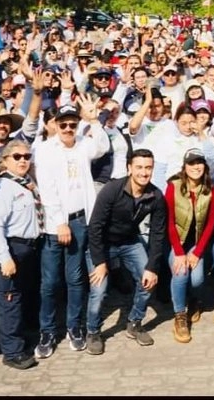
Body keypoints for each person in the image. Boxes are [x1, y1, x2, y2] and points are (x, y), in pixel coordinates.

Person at [33, 101, 111, 358]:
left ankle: (73, 327)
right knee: (50, 281)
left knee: (76, 279)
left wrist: (95, 120)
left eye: (73, 124)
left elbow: (103, 146)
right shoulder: (45, 150)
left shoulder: (82, 144)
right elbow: (46, 188)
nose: (68, 128)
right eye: (63, 124)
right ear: (55, 124)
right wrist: (59, 222)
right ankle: (47, 331)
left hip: (80, 220)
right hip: (57, 224)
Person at [87, 148, 168, 351]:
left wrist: (152, 266)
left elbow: (158, 234)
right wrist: (99, 262)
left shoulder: (156, 196)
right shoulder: (112, 190)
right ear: (129, 168)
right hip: (103, 243)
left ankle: (134, 322)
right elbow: (95, 226)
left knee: (148, 281)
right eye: (139, 167)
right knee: (99, 289)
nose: (143, 172)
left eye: (148, 168)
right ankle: (93, 331)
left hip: (130, 242)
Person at [0, 138, 42, 370]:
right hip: (9, 248)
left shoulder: (25, 182)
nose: (23, 161)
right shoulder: (2, 188)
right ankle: (12, 351)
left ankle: (16, 339)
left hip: (28, 248)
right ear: (5, 160)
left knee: (19, 297)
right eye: (17, 157)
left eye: (27, 156)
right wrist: (4, 257)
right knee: (9, 300)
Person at [163, 149, 214, 343]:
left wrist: (197, 252)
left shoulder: (212, 190)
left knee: (196, 280)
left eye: (199, 163)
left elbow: (211, 223)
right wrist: (179, 253)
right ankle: (180, 316)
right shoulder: (173, 186)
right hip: (177, 242)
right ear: (185, 167)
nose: (196, 167)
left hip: (197, 244)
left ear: (204, 166)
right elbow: (169, 220)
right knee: (180, 272)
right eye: (191, 163)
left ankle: (194, 300)